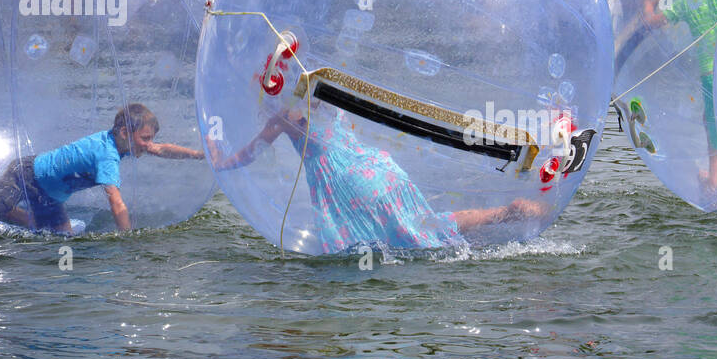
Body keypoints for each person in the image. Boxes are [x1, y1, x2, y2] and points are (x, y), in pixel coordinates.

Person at [208, 103, 548, 254]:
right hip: (380, 171)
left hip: (349, 185)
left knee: (385, 247)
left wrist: (219, 160)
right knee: (425, 226)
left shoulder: (284, 116)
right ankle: (504, 214)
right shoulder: (327, 96)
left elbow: (249, 154)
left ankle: (473, 245)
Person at [0, 104, 203, 235]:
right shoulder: (108, 156)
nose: (149, 145)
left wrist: (200, 155)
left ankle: (1, 209)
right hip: (26, 177)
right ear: (125, 132)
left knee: (60, 236)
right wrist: (128, 240)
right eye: (145, 139)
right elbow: (115, 200)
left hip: (47, 191)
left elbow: (162, 149)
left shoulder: (121, 141)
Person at [641, 0, 717, 200]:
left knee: (713, 122)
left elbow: (652, 22)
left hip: (711, 75)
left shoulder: (688, 3)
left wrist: (649, 3)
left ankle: (715, 181)